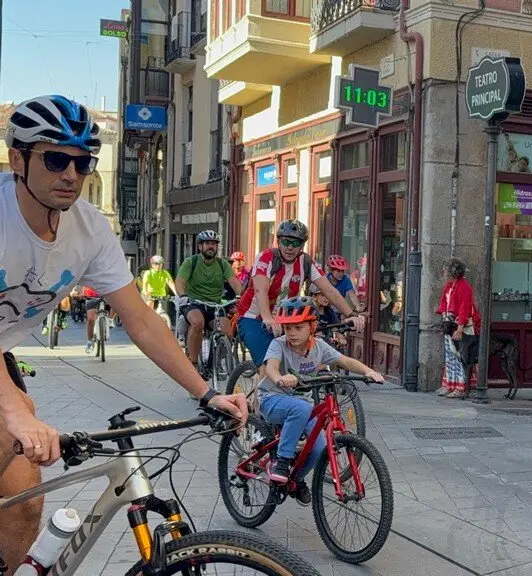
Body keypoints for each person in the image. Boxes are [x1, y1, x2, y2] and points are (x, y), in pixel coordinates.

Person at [0, 95, 248, 569]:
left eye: (83, 161)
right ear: (18, 159)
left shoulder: (90, 229)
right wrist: (16, 411)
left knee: (24, 506)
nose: (72, 173)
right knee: (19, 414)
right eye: (56, 158)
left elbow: (140, 318)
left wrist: (205, 392)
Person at [259, 296, 384, 505]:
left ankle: (295, 480)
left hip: (303, 407)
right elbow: (271, 367)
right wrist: (279, 378)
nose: (291, 333)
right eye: (288, 328)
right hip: (273, 399)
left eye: (298, 328)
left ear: (312, 327)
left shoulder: (319, 347)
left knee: (319, 447)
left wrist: (368, 371)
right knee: (299, 407)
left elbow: (344, 361)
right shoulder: (278, 345)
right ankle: (282, 462)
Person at [235, 220, 364, 369]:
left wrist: (350, 314)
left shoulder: (306, 262)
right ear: (278, 242)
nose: (290, 247)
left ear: (302, 245)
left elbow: (329, 290)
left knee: (302, 361)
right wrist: (268, 318)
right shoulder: (266, 257)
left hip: (284, 319)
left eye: (296, 243)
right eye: (286, 242)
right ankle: (264, 391)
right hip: (253, 318)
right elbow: (260, 290)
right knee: (269, 366)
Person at [175, 230, 243, 370]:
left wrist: (242, 295)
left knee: (227, 332)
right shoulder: (191, 262)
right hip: (194, 303)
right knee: (197, 322)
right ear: (200, 246)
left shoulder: (222, 264)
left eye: (213, 244)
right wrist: (183, 296)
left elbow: (234, 282)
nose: (210, 246)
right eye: (207, 243)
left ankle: (217, 362)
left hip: (215, 306)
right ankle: (193, 363)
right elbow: (180, 281)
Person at [435, 257, 481, 399]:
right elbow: (444, 302)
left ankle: (461, 387)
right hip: (450, 323)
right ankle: (450, 384)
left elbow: (464, 308)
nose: (443, 273)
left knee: (460, 356)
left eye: (446, 270)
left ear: (452, 272)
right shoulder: (450, 285)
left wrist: (460, 328)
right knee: (450, 355)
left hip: (461, 326)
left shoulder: (464, 286)